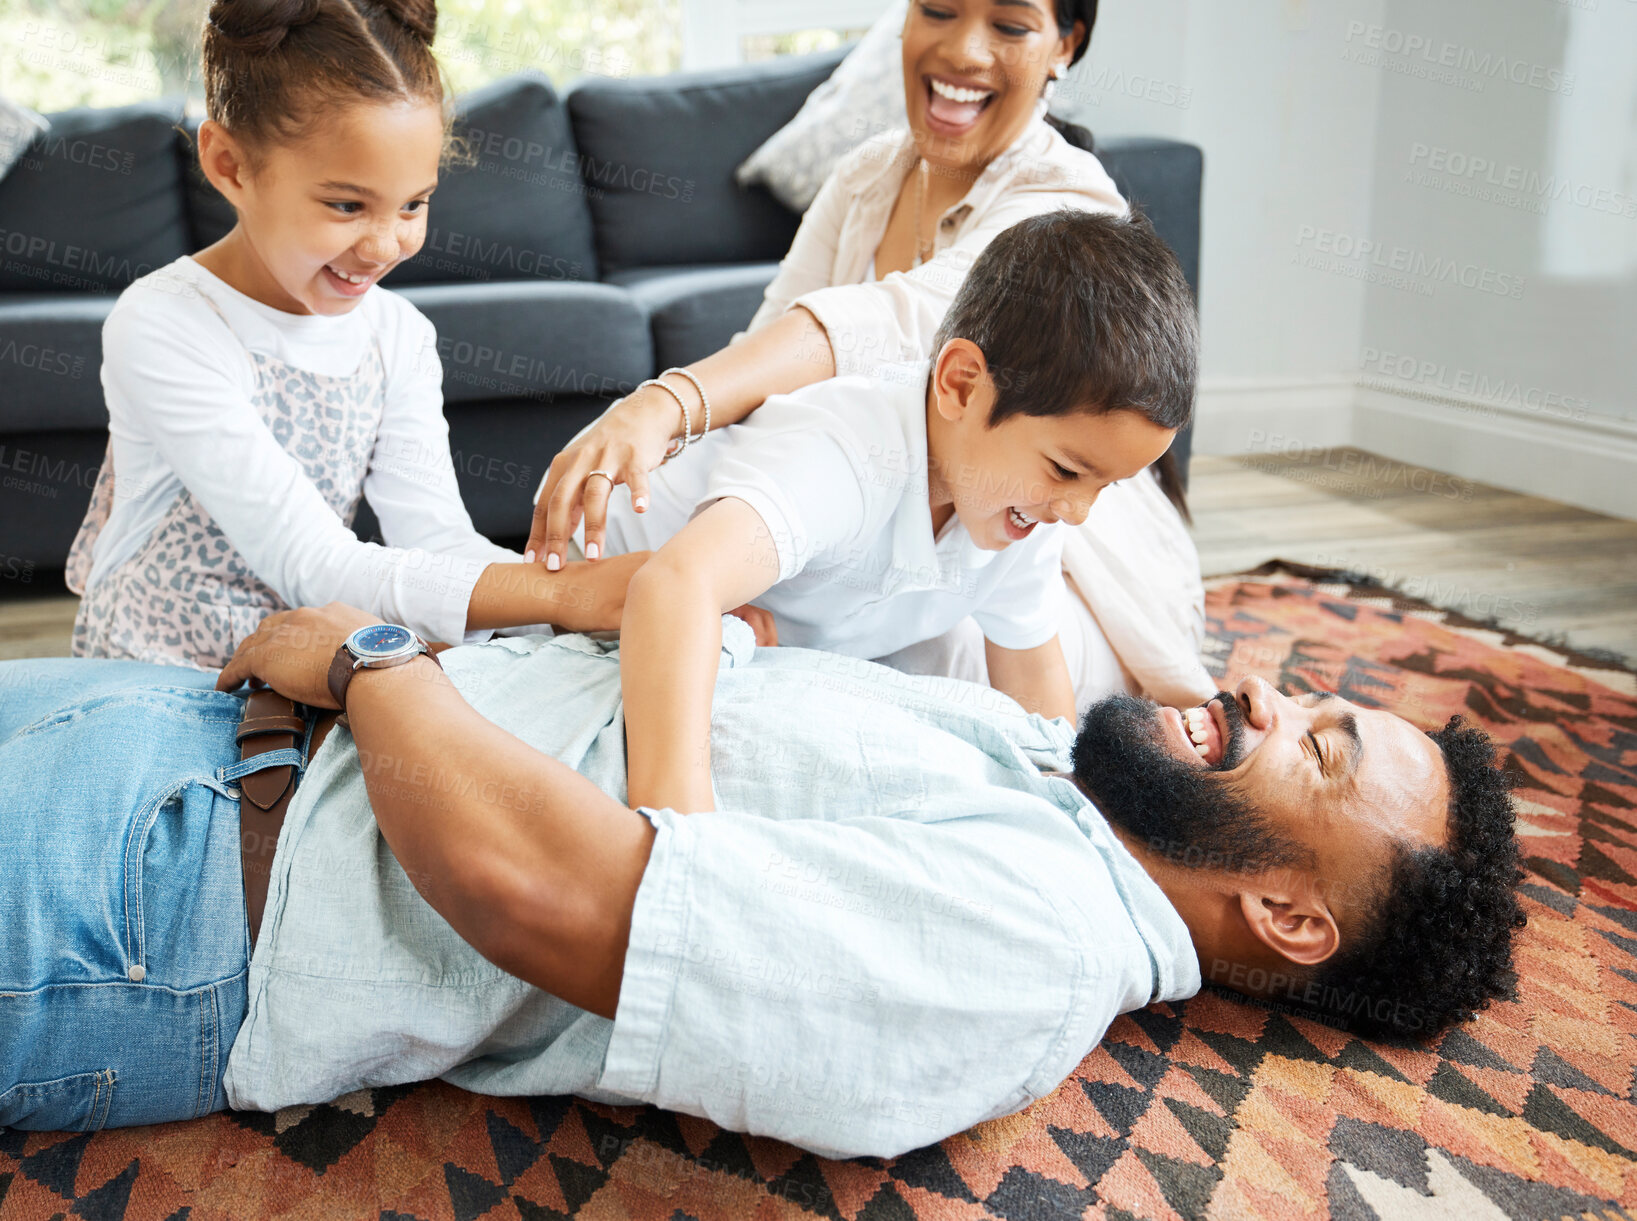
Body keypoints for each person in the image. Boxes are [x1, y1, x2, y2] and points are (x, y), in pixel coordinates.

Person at [0, 603, 1525, 1157]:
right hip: (177, 740)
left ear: (1293, 917)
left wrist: (368, 658)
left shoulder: (1025, 950)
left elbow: (534, 887)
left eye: (1317, 756)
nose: (1262, 696)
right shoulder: (1055, 781)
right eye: (1315, 700)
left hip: (156, 893)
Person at [525, 0, 1215, 711]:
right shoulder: (867, 175)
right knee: (755, 603)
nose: (964, 52)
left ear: (1064, 44)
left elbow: (893, 324)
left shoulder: (1069, 201)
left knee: (948, 677)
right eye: (938, 10)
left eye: (1009, 26)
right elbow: (763, 352)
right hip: (893, 504)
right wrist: (670, 460)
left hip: (1043, 518)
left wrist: (666, 400)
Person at [64, 0, 628, 669]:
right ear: (230, 166)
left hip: (304, 665)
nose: (386, 244)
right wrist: (566, 596)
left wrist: (610, 605)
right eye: (346, 205)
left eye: (413, 203)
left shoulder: (397, 334)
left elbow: (437, 541)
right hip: (154, 670)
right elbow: (313, 561)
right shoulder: (164, 322)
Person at [603, 210, 1190, 811]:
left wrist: (1066, 816)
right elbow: (673, 587)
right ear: (960, 386)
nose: (1077, 511)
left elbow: (1034, 682)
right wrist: (682, 830)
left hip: (767, 637)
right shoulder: (848, 456)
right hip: (606, 591)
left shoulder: (1022, 508)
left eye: (1105, 487)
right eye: (1067, 471)